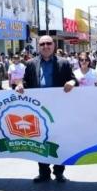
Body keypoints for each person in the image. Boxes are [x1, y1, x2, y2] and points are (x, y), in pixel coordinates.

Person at [15, 35, 76, 183]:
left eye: (49, 43)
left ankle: (59, 172)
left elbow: (74, 79)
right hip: (38, 109)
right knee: (40, 140)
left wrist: (72, 82)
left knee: (57, 140)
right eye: (42, 44)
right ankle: (43, 172)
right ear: (39, 47)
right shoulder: (30, 64)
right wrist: (20, 85)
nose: (45, 46)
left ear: (53, 46)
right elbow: (25, 81)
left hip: (58, 109)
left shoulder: (63, 63)